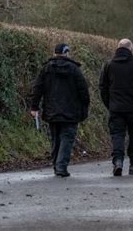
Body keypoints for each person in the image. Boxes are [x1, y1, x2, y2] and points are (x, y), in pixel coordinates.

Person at [30, 44, 90, 177]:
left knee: (55, 138)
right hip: (71, 111)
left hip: (51, 110)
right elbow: (83, 91)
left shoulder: (46, 69)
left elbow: (38, 88)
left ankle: (56, 165)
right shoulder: (75, 69)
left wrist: (34, 107)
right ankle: (61, 166)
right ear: (67, 53)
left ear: (55, 53)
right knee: (67, 138)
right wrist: (85, 107)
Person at [99, 38, 133, 176]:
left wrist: (109, 104)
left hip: (116, 108)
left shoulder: (109, 65)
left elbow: (103, 87)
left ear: (118, 48)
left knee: (117, 135)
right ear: (130, 49)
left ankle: (118, 161)